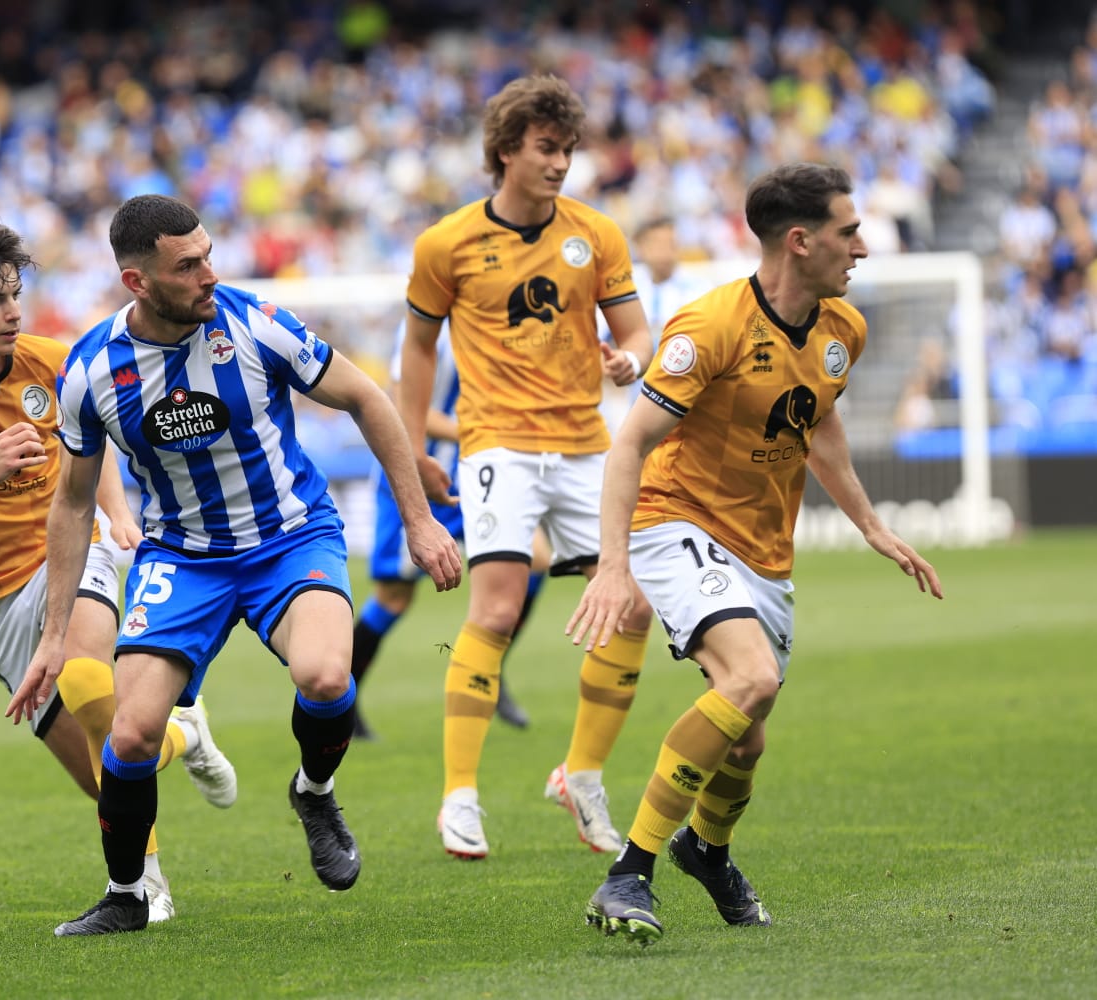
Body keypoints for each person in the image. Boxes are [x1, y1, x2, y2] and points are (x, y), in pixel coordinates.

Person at [8, 193, 462, 936]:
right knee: (131, 735)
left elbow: (367, 398)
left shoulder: (254, 323)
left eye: (209, 254)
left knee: (324, 677)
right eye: (188, 266)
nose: (209, 274)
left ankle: (314, 791)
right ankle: (127, 897)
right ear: (138, 283)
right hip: (183, 558)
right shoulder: (92, 370)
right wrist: (55, 635)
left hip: (289, 538)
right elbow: (71, 502)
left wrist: (419, 520)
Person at [570, 162, 943, 948]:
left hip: (764, 551)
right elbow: (629, 442)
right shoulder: (711, 326)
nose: (864, 248)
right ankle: (628, 874)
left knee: (748, 732)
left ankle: (707, 850)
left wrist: (872, 525)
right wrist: (612, 564)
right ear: (800, 242)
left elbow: (821, 423)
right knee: (750, 677)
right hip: (675, 520)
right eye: (850, 232)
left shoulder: (845, 330)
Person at [0, 213, 238, 928]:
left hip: (67, 550)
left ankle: (141, 890)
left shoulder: (56, 361)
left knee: (83, 674)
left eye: (13, 294)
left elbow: (88, 450)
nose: (11, 312)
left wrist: (117, 514)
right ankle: (185, 734)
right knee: (108, 770)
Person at [399, 74, 656, 860]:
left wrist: (629, 361)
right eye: (548, 148)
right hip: (498, 443)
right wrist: (412, 448)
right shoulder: (445, 244)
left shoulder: (597, 234)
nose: (561, 164)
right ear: (507, 150)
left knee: (634, 607)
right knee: (497, 610)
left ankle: (579, 775)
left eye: (569, 150)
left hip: (585, 446)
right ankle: (460, 797)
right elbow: (416, 348)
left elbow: (639, 334)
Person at [351, 318, 546, 742]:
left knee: (535, 559)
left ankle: (487, 673)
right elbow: (403, 411)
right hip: (419, 477)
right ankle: (339, 702)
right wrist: (482, 431)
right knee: (394, 598)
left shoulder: (489, 320)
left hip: (476, 476)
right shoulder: (420, 330)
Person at [596, 217, 711, 438]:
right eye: (657, 244)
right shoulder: (624, 287)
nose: (664, 252)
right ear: (641, 247)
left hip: (686, 400)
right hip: (632, 396)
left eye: (670, 244)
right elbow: (599, 337)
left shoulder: (700, 290)